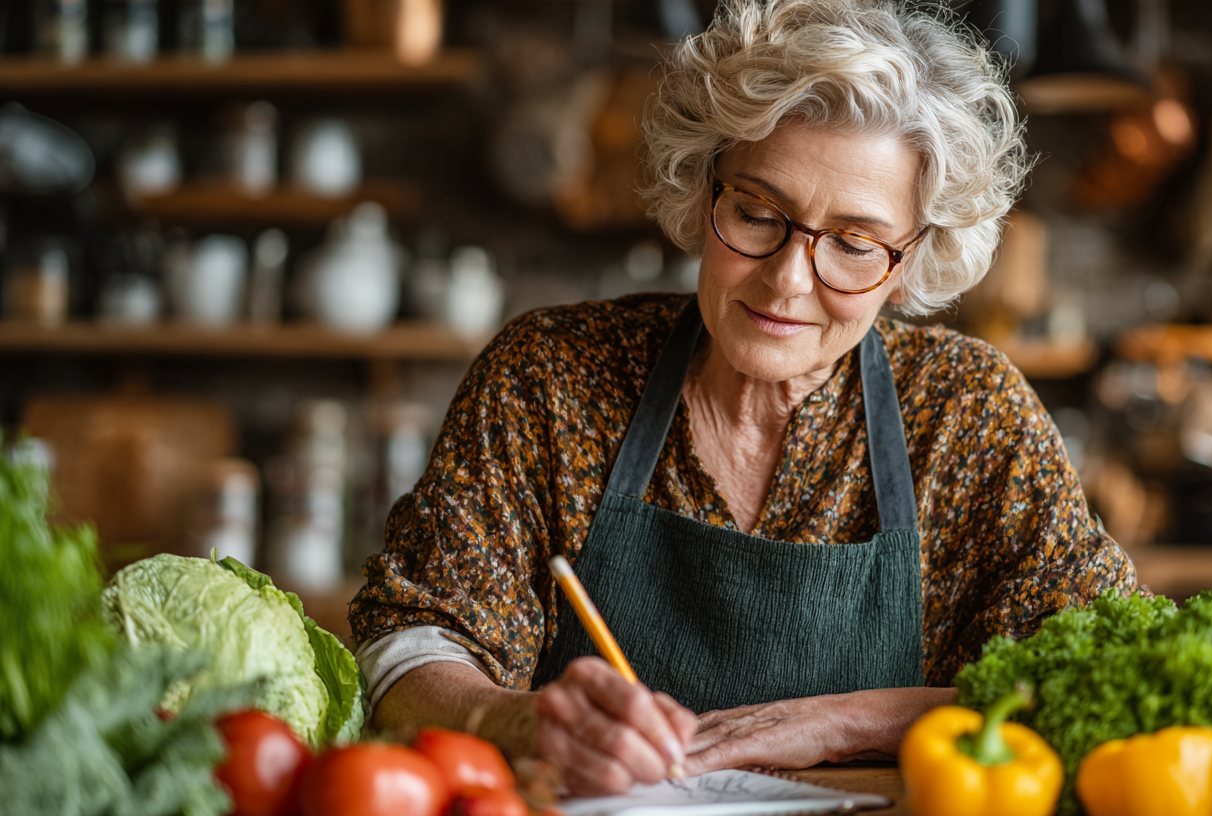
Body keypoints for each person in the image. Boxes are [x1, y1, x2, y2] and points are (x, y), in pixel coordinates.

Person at [349, 0, 1138, 796]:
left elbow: (1101, 670)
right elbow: (409, 644)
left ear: (907, 263)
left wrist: (842, 723)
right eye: (758, 214)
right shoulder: (552, 376)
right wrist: (516, 721)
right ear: (703, 192)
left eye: (855, 245)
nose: (789, 281)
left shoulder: (968, 412)